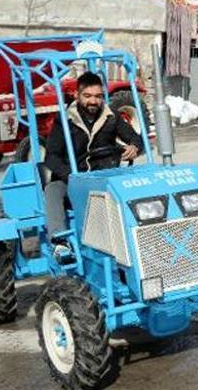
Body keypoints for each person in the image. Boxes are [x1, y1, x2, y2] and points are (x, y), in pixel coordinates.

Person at [44, 71, 143, 260]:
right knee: (52, 190)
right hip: (73, 177)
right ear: (77, 95)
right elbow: (52, 157)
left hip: (104, 176)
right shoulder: (65, 120)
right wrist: (71, 176)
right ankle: (60, 242)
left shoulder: (110, 116)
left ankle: (139, 233)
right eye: (87, 96)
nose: (93, 101)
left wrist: (135, 147)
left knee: (137, 186)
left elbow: (136, 138)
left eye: (98, 96)